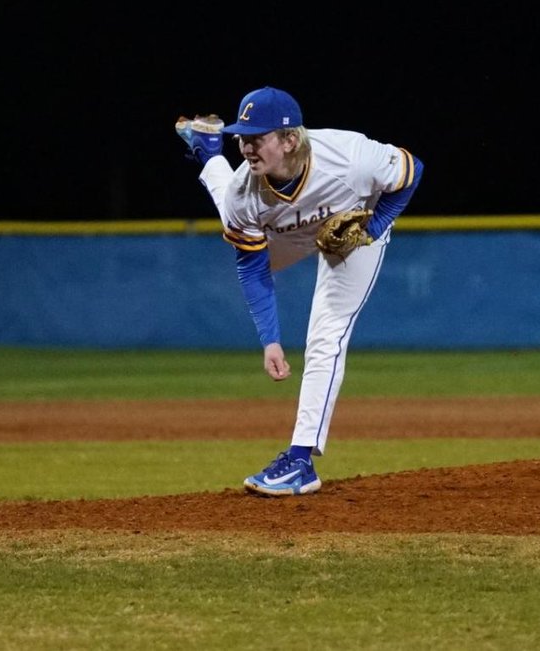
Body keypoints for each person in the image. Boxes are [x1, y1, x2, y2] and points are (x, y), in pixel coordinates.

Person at [175, 86, 424, 496]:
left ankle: (300, 460)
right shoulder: (245, 191)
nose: (247, 147)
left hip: (355, 224)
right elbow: (253, 268)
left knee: (327, 334)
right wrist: (270, 341)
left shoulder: (350, 157)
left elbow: (412, 171)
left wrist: (374, 227)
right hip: (288, 230)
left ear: (290, 139)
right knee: (232, 208)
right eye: (241, 138)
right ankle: (209, 150)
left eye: (257, 138)